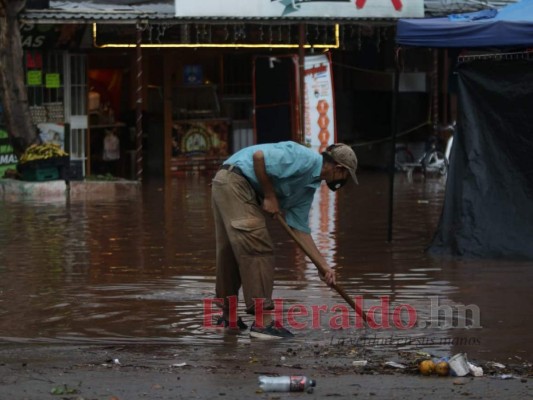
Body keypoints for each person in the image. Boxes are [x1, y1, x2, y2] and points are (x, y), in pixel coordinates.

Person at [211, 141, 358, 339]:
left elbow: (299, 230)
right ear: (339, 168)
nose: (344, 181)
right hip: (234, 180)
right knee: (258, 248)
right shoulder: (303, 158)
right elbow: (259, 157)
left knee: (231, 250)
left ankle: (228, 320)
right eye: (346, 175)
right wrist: (270, 196)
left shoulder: (307, 189)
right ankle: (263, 323)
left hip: (228, 183)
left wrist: (323, 266)